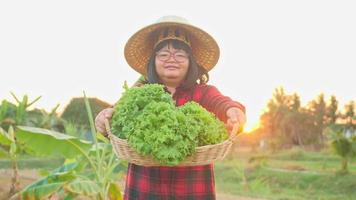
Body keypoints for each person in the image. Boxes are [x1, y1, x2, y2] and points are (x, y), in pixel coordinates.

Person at [95, 15, 246, 200]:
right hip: (143, 190)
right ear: (153, 61)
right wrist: (104, 119)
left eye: (180, 54)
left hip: (193, 192)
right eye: (164, 54)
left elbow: (222, 103)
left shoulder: (203, 93)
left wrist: (233, 110)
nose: (172, 59)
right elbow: (116, 117)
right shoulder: (139, 92)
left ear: (191, 61)